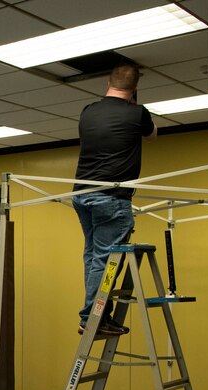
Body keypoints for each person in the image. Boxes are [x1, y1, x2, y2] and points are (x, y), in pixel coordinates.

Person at [72, 62, 157, 336]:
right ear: (134, 89)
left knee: (93, 256)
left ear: (107, 84)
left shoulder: (87, 112)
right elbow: (152, 135)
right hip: (112, 198)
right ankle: (92, 318)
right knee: (104, 260)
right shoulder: (138, 113)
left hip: (82, 195)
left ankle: (95, 314)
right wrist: (136, 107)